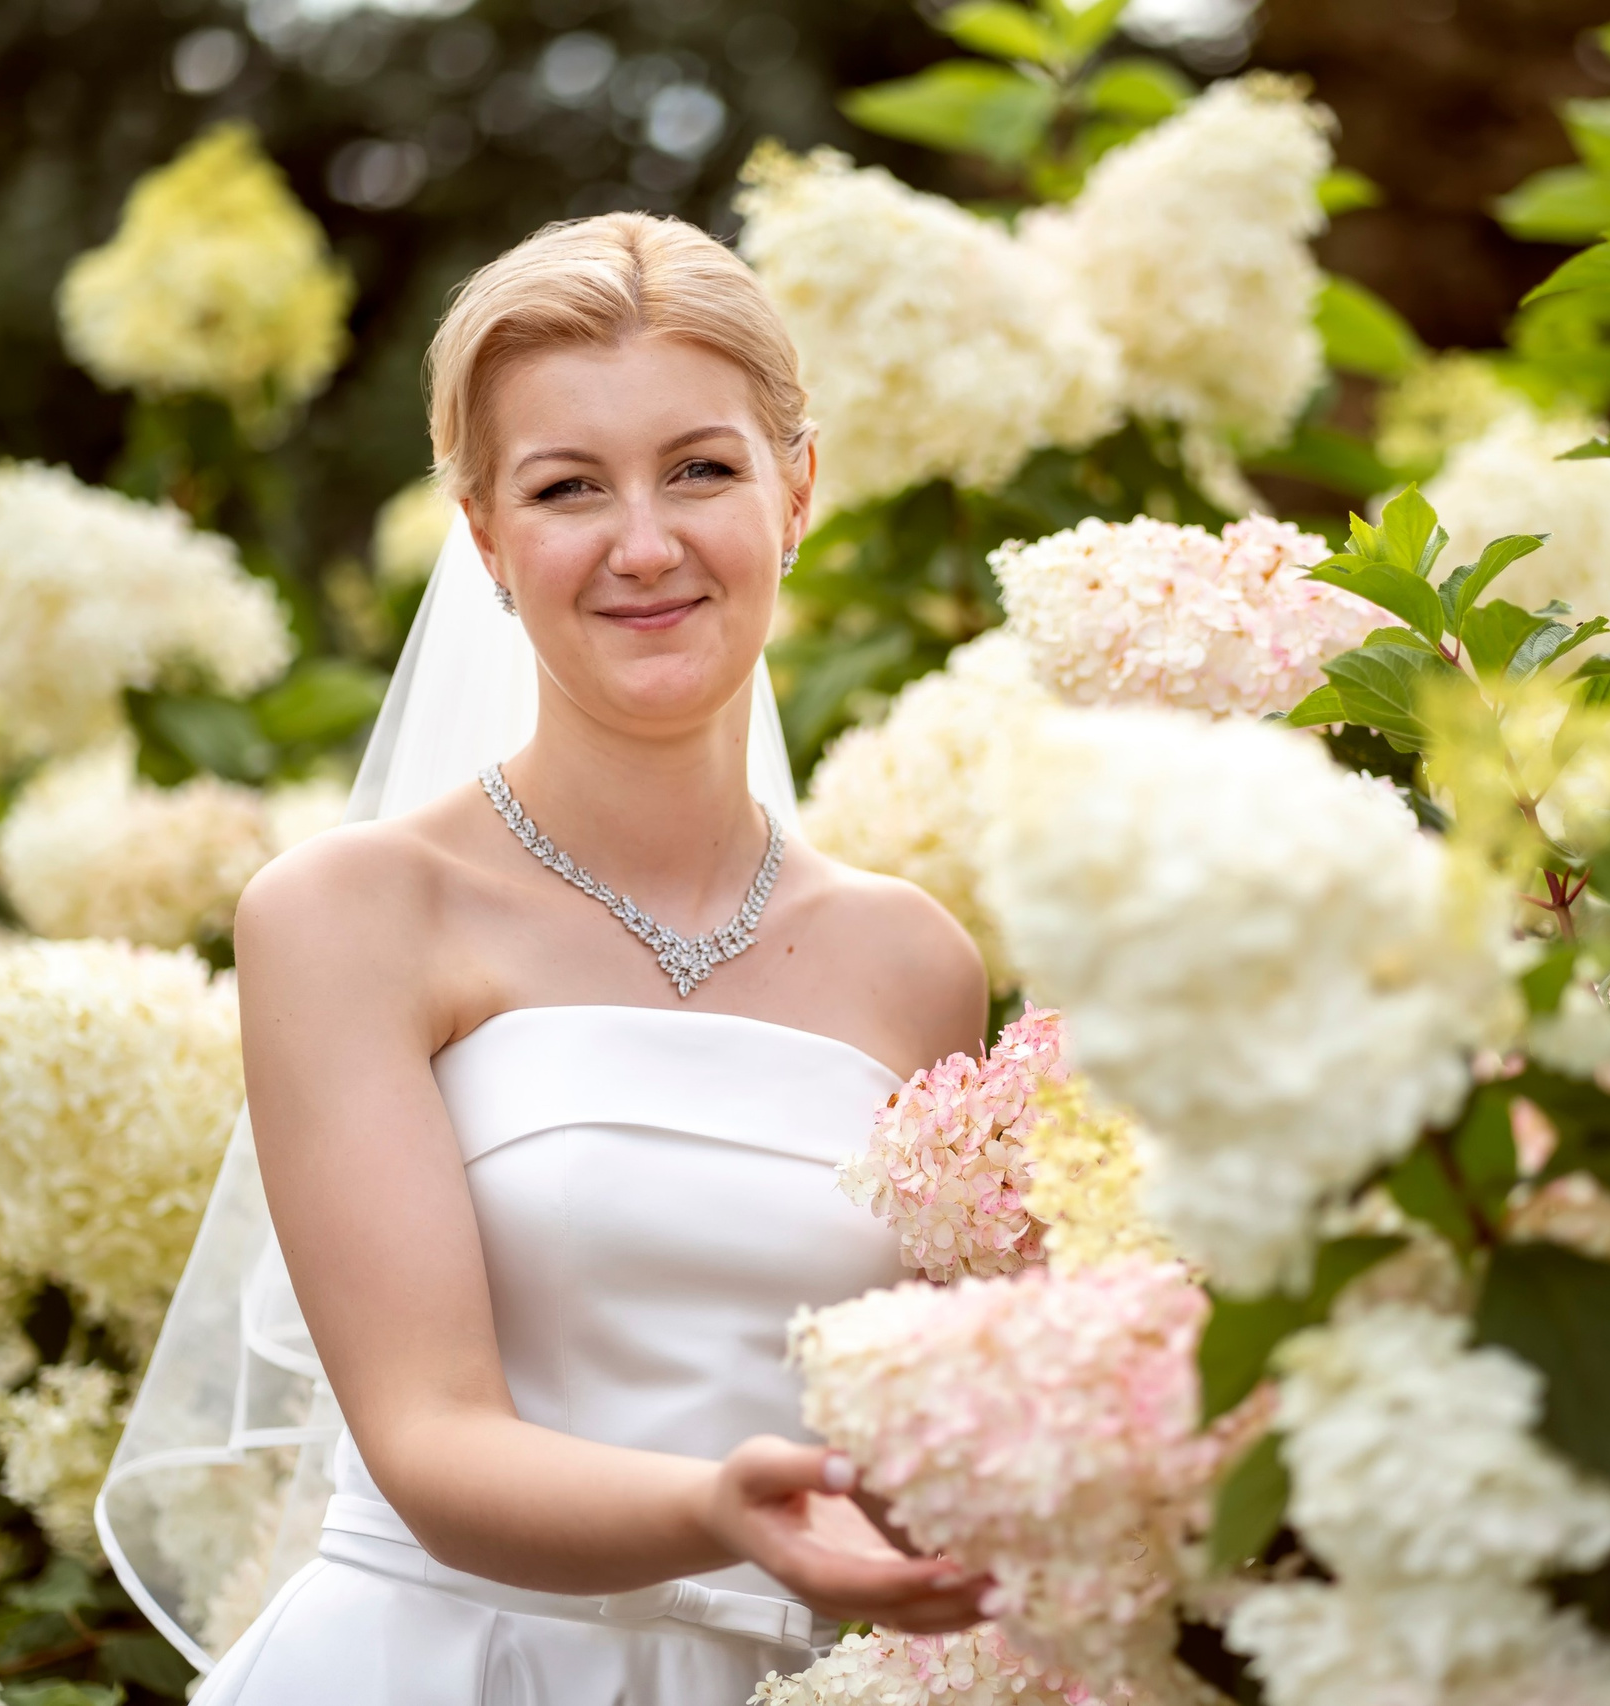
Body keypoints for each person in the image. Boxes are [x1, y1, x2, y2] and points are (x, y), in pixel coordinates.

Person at [190, 213, 992, 1703]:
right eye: (568, 488)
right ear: (487, 537)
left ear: (796, 489)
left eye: (701, 467)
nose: (645, 544)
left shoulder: (918, 966)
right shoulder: (351, 915)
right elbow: (428, 1438)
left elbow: (945, 1432)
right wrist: (710, 1513)